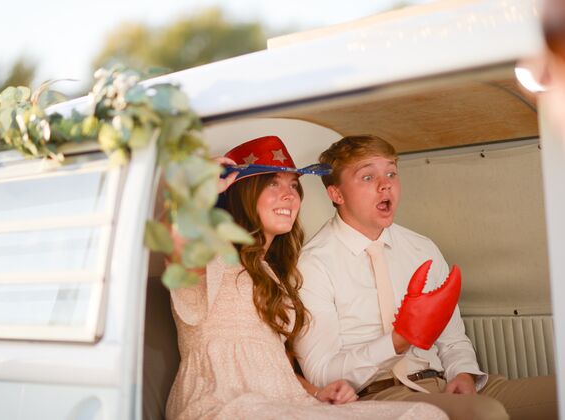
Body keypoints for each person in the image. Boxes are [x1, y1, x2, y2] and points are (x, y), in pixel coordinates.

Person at [165, 135, 447, 419]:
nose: (289, 195)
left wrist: (319, 393)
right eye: (273, 183)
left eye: (293, 185)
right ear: (243, 193)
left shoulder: (276, 276)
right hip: (224, 404)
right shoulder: (212, 257)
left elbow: (276, 368)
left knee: (424, 414)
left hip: (285, 403)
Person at [294, 134, 558, 420]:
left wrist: (463, 373)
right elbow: (321, 373)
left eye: (391, 173)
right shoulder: (312, 264)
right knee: (485, 413)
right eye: (368, 177)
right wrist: (396, 343)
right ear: (336, 194)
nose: (385, 184)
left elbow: (453, 338)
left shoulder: (421, 248)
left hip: (445, 382)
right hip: (379, 394)